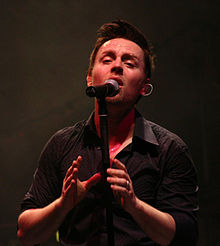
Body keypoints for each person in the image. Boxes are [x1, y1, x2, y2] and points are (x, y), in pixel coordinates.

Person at [17, 20, 198, 246]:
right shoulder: (62, 144)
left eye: (129, 63)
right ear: (90, 77)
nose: (117, 67)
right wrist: (62, 205)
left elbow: (184, 237)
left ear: (144, 85)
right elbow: (25, 233)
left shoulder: (170, 149)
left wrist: (134, 205)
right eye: (107, 60)